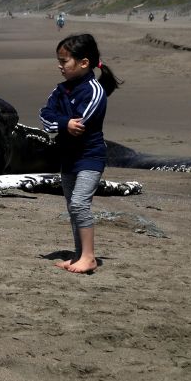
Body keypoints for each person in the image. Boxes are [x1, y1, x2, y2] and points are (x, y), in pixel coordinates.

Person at [39, 33, 122, 275]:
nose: (60, 66)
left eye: (64, 61)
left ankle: (89, 257)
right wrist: (64, 124)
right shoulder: (60, 90)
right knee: (71, 206)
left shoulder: (94, 91)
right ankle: (78, 255)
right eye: (59, 60)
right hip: (68, 158)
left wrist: (63, 123)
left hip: (90, 157)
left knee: (79, 203)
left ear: (84, 63)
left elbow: (81, 122)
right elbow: (45, 115)